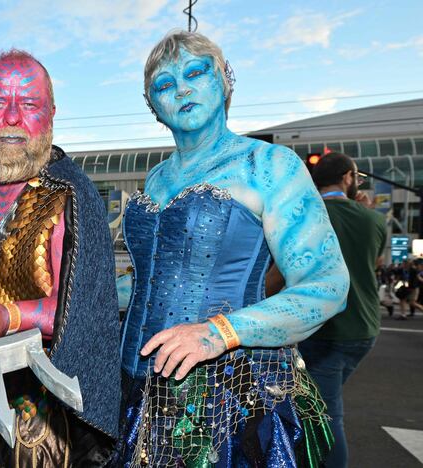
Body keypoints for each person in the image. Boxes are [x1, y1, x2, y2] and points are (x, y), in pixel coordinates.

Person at [115, 31, 349, 467]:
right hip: (135, 389)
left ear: (225, 80)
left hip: (227, 396)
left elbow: (327, 284)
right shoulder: (155, 179)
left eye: (195, 72)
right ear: (154, 107)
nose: (181, 88)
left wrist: (217, 333)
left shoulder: (269, 165)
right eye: (164, 85)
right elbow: (151, 281)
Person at [0, 49, 120, 466]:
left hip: (39, 409)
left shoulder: (68, 197)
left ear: (50, 114)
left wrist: (5, 315)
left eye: (28, 104)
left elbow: (77, 312)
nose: (12, 117)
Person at [298, 151, 387, 468]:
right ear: (348, 177)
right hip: (364, 326)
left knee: (325, 412)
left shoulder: (305, 213)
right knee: (319, 404)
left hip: (324, 329)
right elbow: (375, 263)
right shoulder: (374, 218)